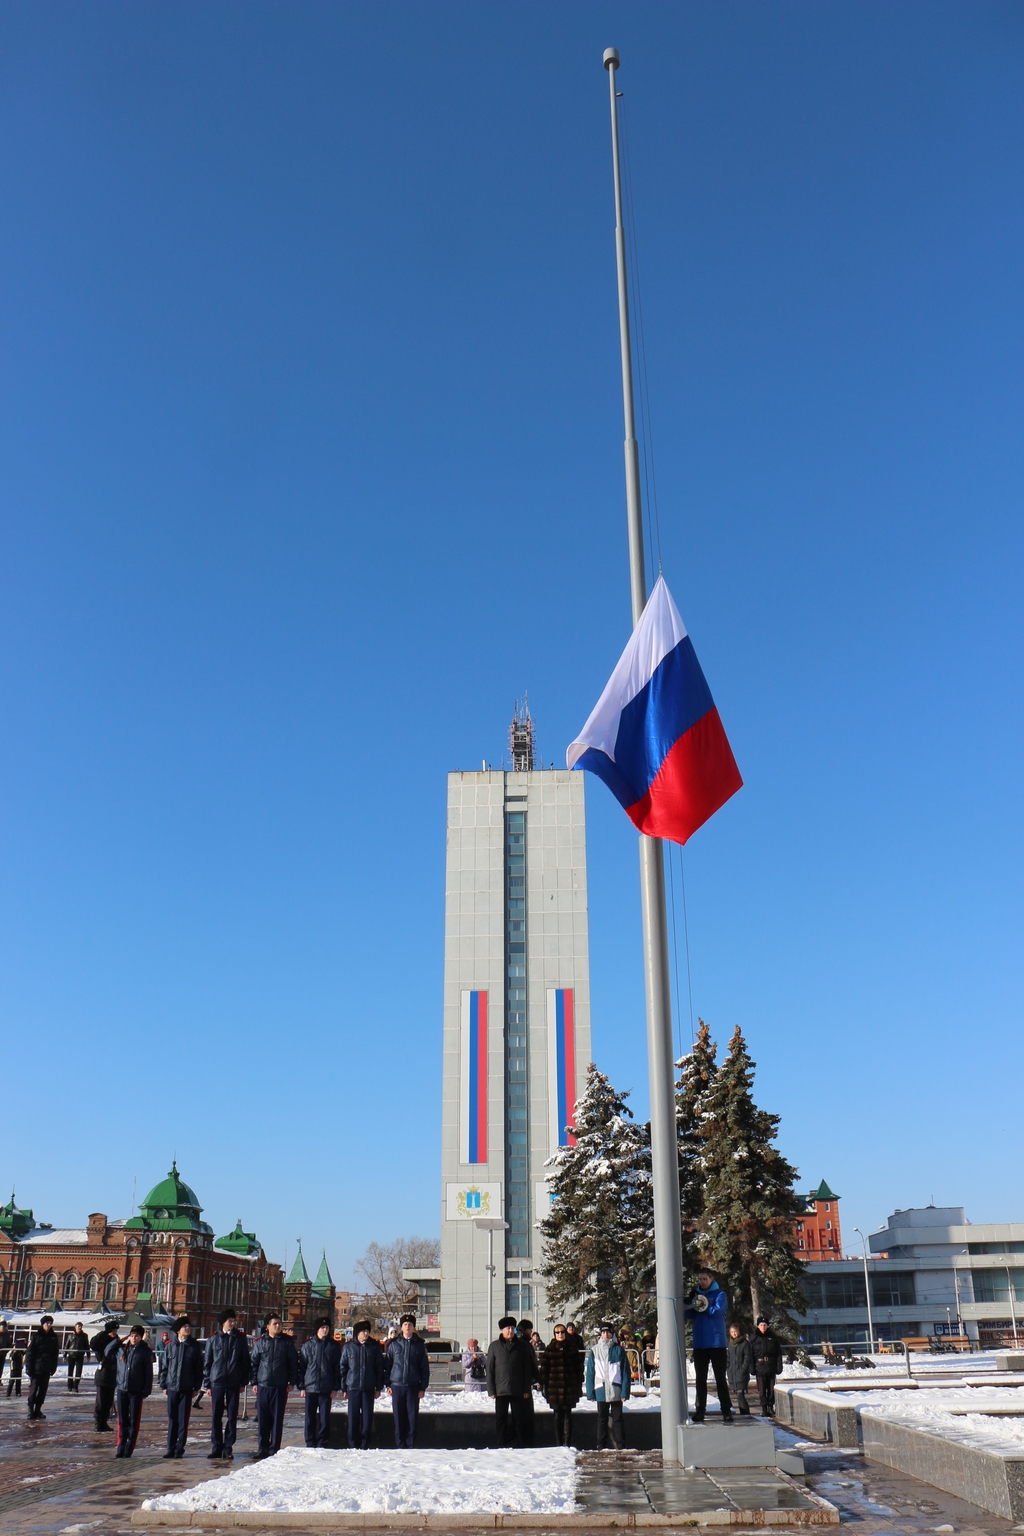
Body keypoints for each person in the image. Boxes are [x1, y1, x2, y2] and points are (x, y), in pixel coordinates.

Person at [685, 1269, 733, 1424]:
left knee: (720, 1378)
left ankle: (726, 1410)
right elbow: (689, 1315)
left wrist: (702, 1303)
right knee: (700, 1379)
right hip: (700, 1344)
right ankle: (700, 1410)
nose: (702, 1282)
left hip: (716, 1343)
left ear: (712, 1279)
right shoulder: (698, 1295)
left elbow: (716, 1311)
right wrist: (689, 1302)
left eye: (704, 1279)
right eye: (700, 1279)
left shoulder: (720, 1295)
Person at [249, 1313, 300, 1460]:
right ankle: (262, 1448)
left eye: (279, 1323)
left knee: (277, 1419)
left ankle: (274, 1448)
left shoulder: (287, 1343)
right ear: (267, 1326)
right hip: (263, 1385)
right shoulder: (259, 1343)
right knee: (263, 1420)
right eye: (274, 1324)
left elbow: (293, 1364)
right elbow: (254, 1364)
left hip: (280, 1386)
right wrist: (254, 1382)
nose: (278, 1326)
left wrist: (291, 1382)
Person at [204, 1308, 251, 1461]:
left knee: (232, 1416)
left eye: (233, 1320)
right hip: (217, 1381)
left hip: (233, 1382)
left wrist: (243, 1381)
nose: (232, 1323)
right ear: (222, 1323)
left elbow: (245, 1362)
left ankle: (228, 1447)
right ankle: (216, 1446)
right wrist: (207, 1384)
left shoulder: (240, 1339)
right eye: (230, 1320)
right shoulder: (213, 1339)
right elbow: (208, 1363)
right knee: (216, 1415)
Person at [486, 1315, 538, 1448]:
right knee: (501, 1420)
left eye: (512, 1328)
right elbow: (490, 1369)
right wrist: (491, 1390)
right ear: (501, 1330)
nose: (510, 1331)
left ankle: (518, 1443)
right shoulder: (494, 1346)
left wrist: (527, 1389)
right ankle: (501, 1443)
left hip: (518, 1389)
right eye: (507, 1328)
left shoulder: (521, 1346)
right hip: (501, 1390)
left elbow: (527, 1368)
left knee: (518, 1420)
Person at [159, 1317, 204, 1458]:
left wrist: (196, 1387)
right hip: (172, 1388)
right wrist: (163, 1384)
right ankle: (170, 1448)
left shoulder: (194, 1347)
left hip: (186, 1388)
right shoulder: (170, 1346)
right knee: (172, 1419)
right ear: (178, 1330)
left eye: (188, 1326)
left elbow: (198, 1369)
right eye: (184, 1326)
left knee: (183, 1420)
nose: (187, 1329)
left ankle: (179, 1448)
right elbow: (164, 1367)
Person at [384, 1313, 430, 1449]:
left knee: (412, 1418)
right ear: (401, 1328)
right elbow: (387, 1366)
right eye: (405, 1324)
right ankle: (400, 1445)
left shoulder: (419, 1345)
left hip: (413, 1387)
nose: (407, 1327)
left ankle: (410, 1445)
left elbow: (424, 1369)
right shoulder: (394, 1345)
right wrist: (387, 1385)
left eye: (410, 1325)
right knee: (398, 1418)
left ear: (413, 1328)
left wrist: (423, 1388)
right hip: (397, 1386)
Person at [585, 1322, 631, 1449]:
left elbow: (625, 1372)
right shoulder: (595, 1350)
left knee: (617, 1419)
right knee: (602, 1419)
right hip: (600, 1389)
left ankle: (621, 1445)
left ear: (612, 1334)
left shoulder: (619, 1350)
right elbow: (590, 1373)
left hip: (616, 1389)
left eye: (608, 1332)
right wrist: (590, 1392)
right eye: (603, 1332)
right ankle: (601, 1445)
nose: (606, 1335)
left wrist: (624, 1392)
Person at [341, 1320, 384, 1449]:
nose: (366, 1333)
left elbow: (379, 1368)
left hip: (368, 1387)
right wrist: (344, 1387)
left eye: (367, 1331)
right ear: (357, 1333)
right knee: (353, 1418)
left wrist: (378, 1387)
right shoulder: (348, 1347)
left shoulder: (374, 1347)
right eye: (363, 1331)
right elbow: (343, 1368)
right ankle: (353, 1443)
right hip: (353, 1387)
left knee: (367, 1418)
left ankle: (365, 1443)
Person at [300, 1316, 342, 1449]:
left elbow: (337, 1368)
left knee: (324, 1418)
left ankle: (323, 1442)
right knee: (310, 1418)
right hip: (310, 1387)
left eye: (327, 1328)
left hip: (326, 1388)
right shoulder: (307, 1346)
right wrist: (301, 1386)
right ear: (317, 1329)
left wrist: (335, 1387)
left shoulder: (333, 1346)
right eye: (322, 1328)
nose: (325, 1330)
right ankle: (310, 1442)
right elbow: (302, 1368)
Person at [113, 1325, 155, 1458]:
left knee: (133, 1420)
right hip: (122, 1388)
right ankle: (121, 1446)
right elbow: (108, 1350)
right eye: (131, 1335)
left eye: (136, 1336)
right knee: (122, 1420)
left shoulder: (145, 1352)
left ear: (141, 1337)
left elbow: (148, 1373)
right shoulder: (122, 1349)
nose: (133, 1338)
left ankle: (129, 1447)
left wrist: (146, 1390)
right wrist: (120, 1340)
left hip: (136, 1390)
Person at [540, 1323, 583, 1446]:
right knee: (557, 1415)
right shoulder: (550, 1349)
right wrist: (544, 1386)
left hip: (569, 1387)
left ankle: (567, 1442)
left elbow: (578, 1369)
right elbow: (544, 1370)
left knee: (568, 1414)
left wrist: (579, 1384)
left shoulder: (572, 1348)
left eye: (562, 1332)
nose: (560, 1335)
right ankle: (559, 1443)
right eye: (557, 1333)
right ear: (554, 1334)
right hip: (554, 1389)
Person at [25, 1315, 60, 1420]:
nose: (49, 1325)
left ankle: (38, 1409)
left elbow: (55, 1353)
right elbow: (30, 1353)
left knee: (43, 1390)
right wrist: (29, 1367)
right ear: (43, 1324)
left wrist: (53, 1367)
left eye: (50, 1323)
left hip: (47, 1366)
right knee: (34, 1388)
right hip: (36, 1366)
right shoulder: (36, 1336)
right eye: (47, 1323)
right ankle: (30, 1410)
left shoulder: (53, 1337)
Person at [751, 1316, 784, 1418]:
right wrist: (751, 1368)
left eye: (765, 1325)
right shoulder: (754, 1338)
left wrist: (779, 1366)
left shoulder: (773, 1337)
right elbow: (751, 1354)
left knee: (771, 1389)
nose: (763, 1327)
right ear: (758, 1326)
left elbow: (778, 1353)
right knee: (762, 1389)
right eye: (761, 1325)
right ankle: (764, 1408)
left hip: (771, 1366)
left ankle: (770, 1407)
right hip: (759, 1367)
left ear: (768, 1326)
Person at [91, 1320, 121, 1431]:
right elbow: (93, 1344)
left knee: (108, 1400)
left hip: (113, 1373)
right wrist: (104, 1333)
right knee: (101, 1400)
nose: (114, 1332)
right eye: (112, 1330)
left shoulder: (117, 1341)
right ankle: (98, 1422)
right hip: (103, 1373)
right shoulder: (102, 1341)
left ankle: (104, 1422)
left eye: (115, 1330)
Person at [726, 1325, 754, 1416]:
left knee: (740, 1395)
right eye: (732, 1332)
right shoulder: (730, 1344)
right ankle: (743, 1414)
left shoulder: (745, 1343)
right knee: (737, 1396)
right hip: (733, 1374)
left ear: (739, 1331)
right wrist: (728, 1369)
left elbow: (747, 1358)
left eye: (735, 1331)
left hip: (741, 1374)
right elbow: (728, 1358)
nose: (734, 1334)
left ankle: (746, 1414)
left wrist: (742, 1370)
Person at [66, 1321, 89, 1393]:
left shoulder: (84, 1336)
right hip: (71, 1355)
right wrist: (64, 1355)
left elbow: (86, 1345)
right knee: (70, 1371)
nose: (79, 1327)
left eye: (81, 1326)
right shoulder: (71, 1335)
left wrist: (88, 1354)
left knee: (78, 1372)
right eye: (78, 1326)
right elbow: (67, 1345)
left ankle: (75, 1386)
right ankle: (70, 1385)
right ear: (75, 1327)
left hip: (80, 1355)